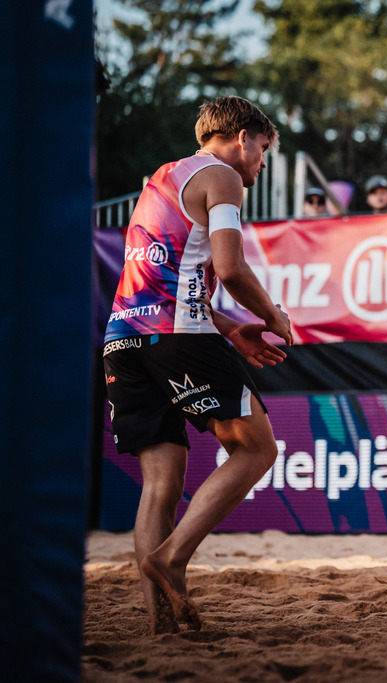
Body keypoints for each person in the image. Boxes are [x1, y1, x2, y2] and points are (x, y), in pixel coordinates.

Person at [102, 95, 293, 635]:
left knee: (159, 485)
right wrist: (273, 315)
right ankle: (173, 558)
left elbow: (174, 283)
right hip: (176, 337)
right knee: (256, 448)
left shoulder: (162, 178)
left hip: (123, 340)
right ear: (243, 137)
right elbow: (231, 270)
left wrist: (233, 330)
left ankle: (161, 624)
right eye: (263, 151)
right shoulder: (222, 177)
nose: (260, 164)